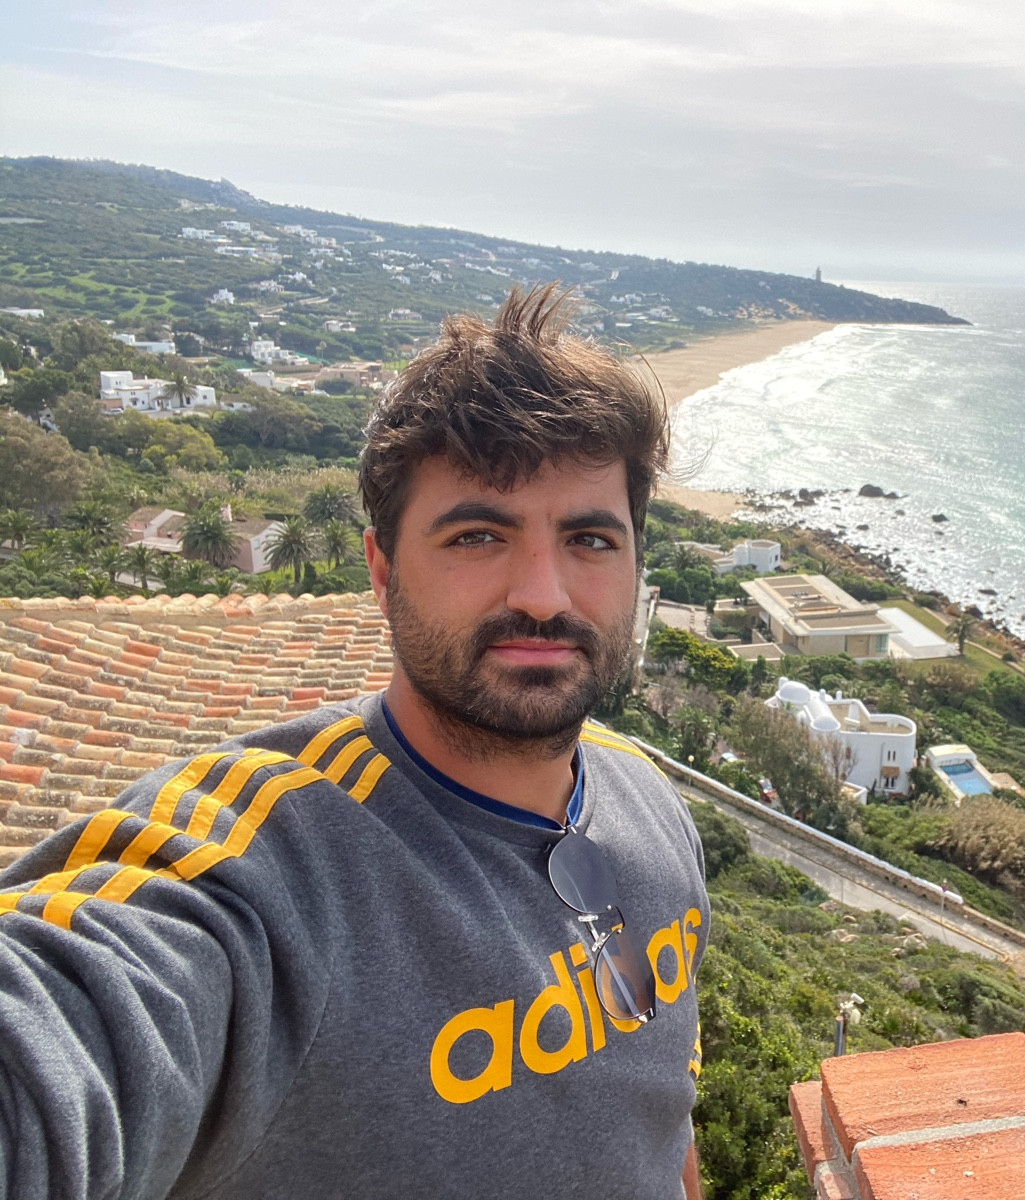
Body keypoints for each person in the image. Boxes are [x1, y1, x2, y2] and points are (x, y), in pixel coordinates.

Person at [0, 287, 708, 1199]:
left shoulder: (650, 800)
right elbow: (63, 1037)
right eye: (478, 535)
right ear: (382, 570)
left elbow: (661, 1113)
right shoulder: (269, 872)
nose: (543, 593)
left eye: (590, 539)